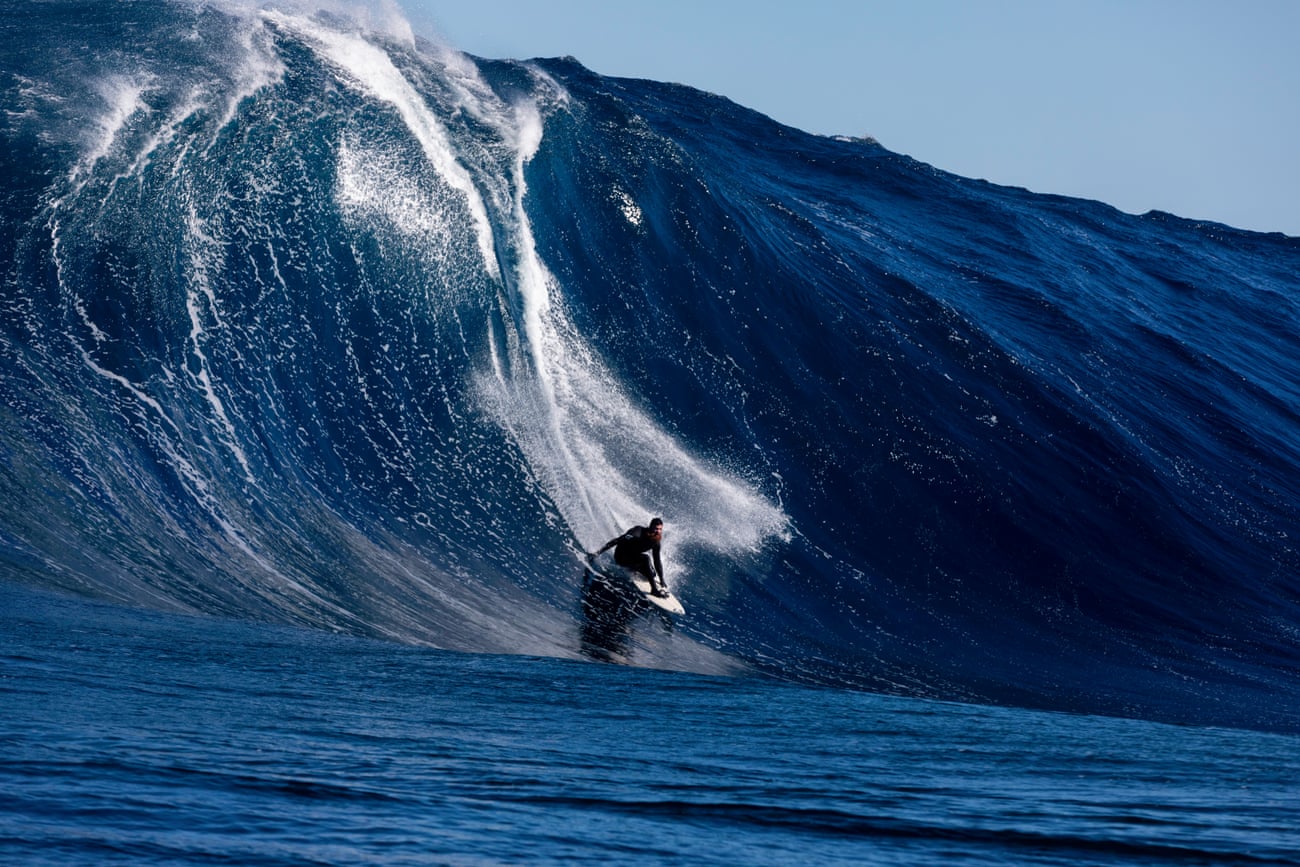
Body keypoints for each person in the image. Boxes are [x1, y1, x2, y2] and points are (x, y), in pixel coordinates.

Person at [591, 518, 669, 597]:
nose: (658, 531)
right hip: (621, 556)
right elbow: (617, 540)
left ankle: (635, 567)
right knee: (646, 558)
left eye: (660, 529)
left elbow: (657, 560)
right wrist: (598, 553)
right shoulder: (638, 531)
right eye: (656, 528)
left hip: (633, 557)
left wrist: (661, 579)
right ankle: (654, 590)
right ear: (650, 526)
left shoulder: (656, 542)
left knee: (653, 574)